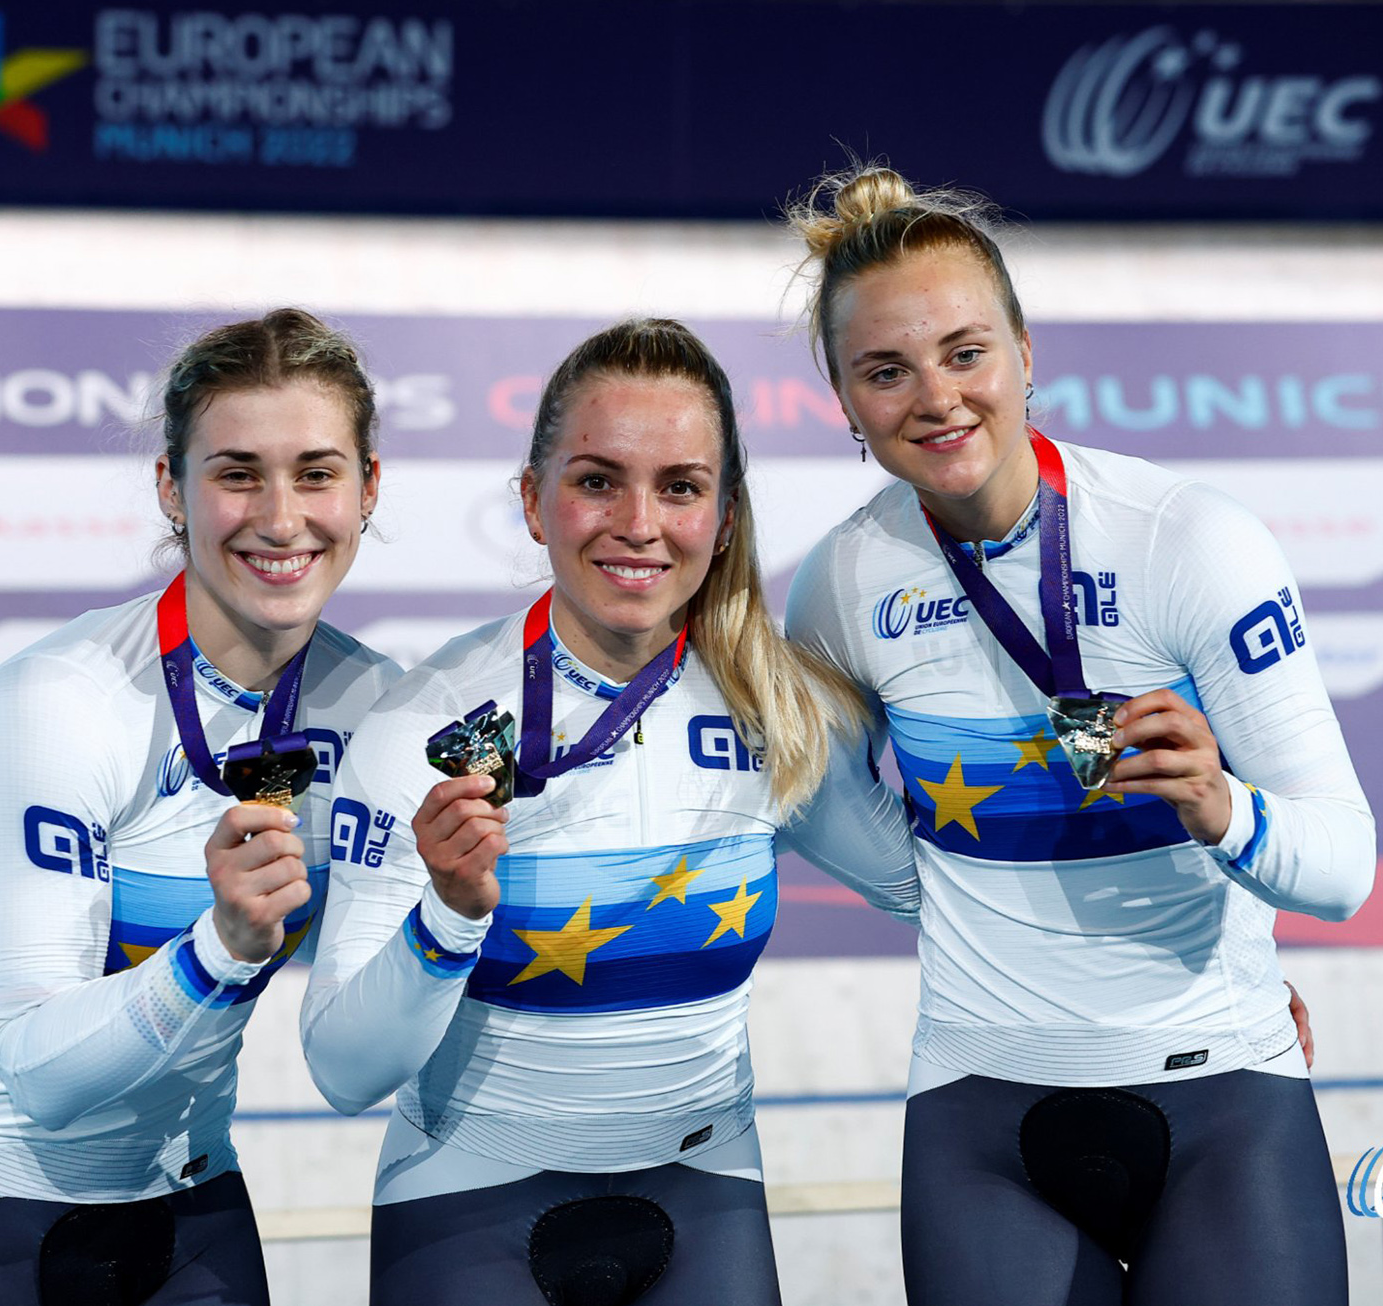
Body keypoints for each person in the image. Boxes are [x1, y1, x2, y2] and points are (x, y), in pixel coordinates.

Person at [782, 166, 1374, 1306]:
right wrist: (956, 894)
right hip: (979, 1122)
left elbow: (1342, 866)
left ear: (1025, 353)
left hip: (1223, 1105)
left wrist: (1222, 809)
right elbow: (835, 817)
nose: (936, 398)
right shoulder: (843, 584)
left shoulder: (1186, 542)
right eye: (884, 370)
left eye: (965, 351)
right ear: (844, 402)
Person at [300, 319, 919, 1305]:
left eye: (678, 486)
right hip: (468, 1204)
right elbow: (341, 1067)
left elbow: (943, 892)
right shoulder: (421, 724)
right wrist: (449, 914)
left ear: (721, 518)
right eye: (597, 480)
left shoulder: (777, 709)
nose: (638, 521)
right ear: (533, 503)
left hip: (705, 1197)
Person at [0, 309, 400, 1306]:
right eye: (236, 473)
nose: (280, 517)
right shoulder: (58, 701)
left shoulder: (380, 707)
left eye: (316, 472)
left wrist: (454, 910)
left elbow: (359, 1063)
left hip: (189, 1217)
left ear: (369, 487)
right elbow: (45, 1077)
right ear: (171, 489)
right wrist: (220, 946)